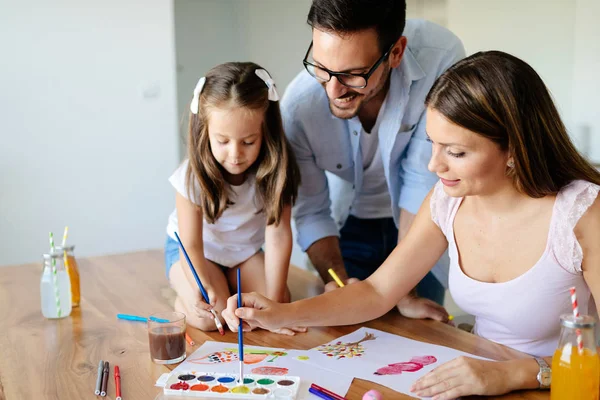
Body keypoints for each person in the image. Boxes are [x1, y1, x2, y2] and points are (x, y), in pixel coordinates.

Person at [222, 51, 600, 397]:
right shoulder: (447, 201)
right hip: (476, 378)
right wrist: (277, 313)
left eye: (456, 152)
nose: (435, 166)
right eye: (433, 144)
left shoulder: (582, 214)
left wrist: (512, 374)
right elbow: (376, 292)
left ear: (514, 149)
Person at [281, 0, 465, 317]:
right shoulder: (298, 109)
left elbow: (420, 180)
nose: (334, 90)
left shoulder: (441, 58)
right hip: (347, 224)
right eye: (322, 68)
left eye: (353, 74)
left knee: (417, 334)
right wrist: (335, 282)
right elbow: (311, 209)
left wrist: (403, 290)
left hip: (420, 222)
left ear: (395, 53)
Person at [164, 62, 303, 334]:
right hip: (197, 253)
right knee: (209, 319)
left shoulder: (277, 171)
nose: (235, 154)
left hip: (244, 252)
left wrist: (276, 306)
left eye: (248, 141)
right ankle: (181, 293)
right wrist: (199, 284)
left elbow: (278, 235)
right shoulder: (190, 176)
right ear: (205, 132)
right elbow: (190, 244)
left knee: (274, 305)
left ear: (267, 132)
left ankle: (227, 283)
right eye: (223, 141)